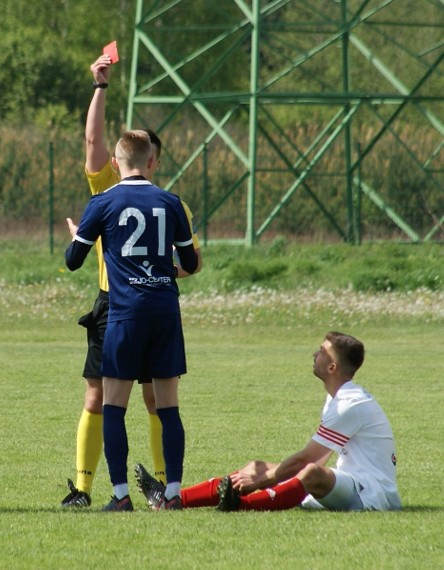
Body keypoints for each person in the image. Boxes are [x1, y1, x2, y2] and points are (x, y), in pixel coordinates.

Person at [60, 53, 203, 510]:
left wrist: (85, 242)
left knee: (126, 402)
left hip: (123, 307)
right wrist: (100, 87)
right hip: (152, 306)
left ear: (127, 160)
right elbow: (191, 262)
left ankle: (136, 491)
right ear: (151, 160)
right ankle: (88, 488)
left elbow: (73, 259)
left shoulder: (105, 200)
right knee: (112, 397)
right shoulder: (172, 202)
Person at [134, 332, 401, 512]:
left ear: (333, 368)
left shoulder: (348, 405)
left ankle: (240, 505)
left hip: (373, 495)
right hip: (352, 484)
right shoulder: (338, 397)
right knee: (256, 467)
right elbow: (317, 460)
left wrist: (265, 481)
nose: (314, 354)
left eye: (321, 352)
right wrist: (264, 473)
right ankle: (173, 500)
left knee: (306, 473)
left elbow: (309, 461)